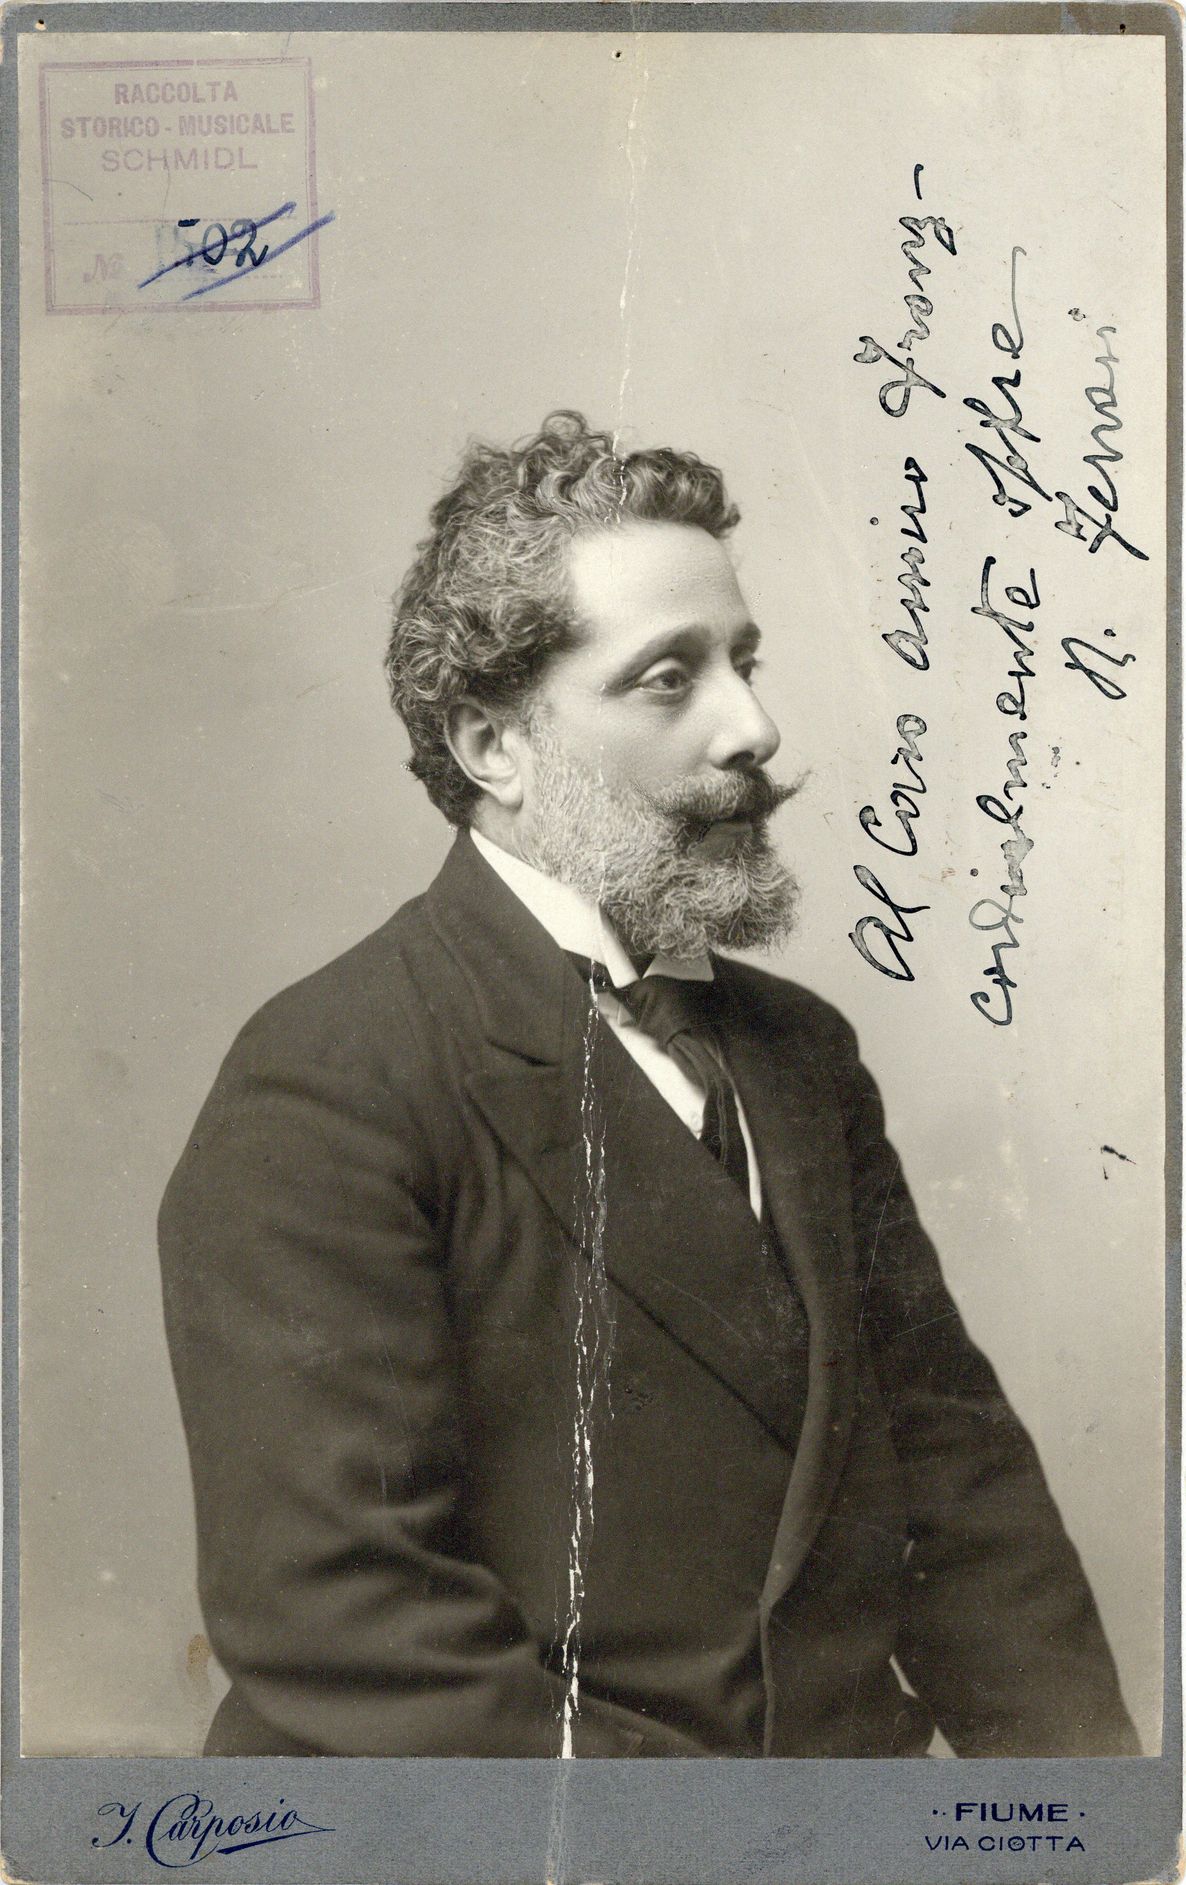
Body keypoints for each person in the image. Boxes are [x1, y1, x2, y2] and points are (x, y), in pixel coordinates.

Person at [158, 411, 1138, 1759]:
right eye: (669, 678)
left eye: (744, 662)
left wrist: (1078, 1817)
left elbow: (959, 1488)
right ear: (493, 745)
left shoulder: (799, 1050)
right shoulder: (328, 1081)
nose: (754, 727)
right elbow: (342, 1617)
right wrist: (748, 1846)